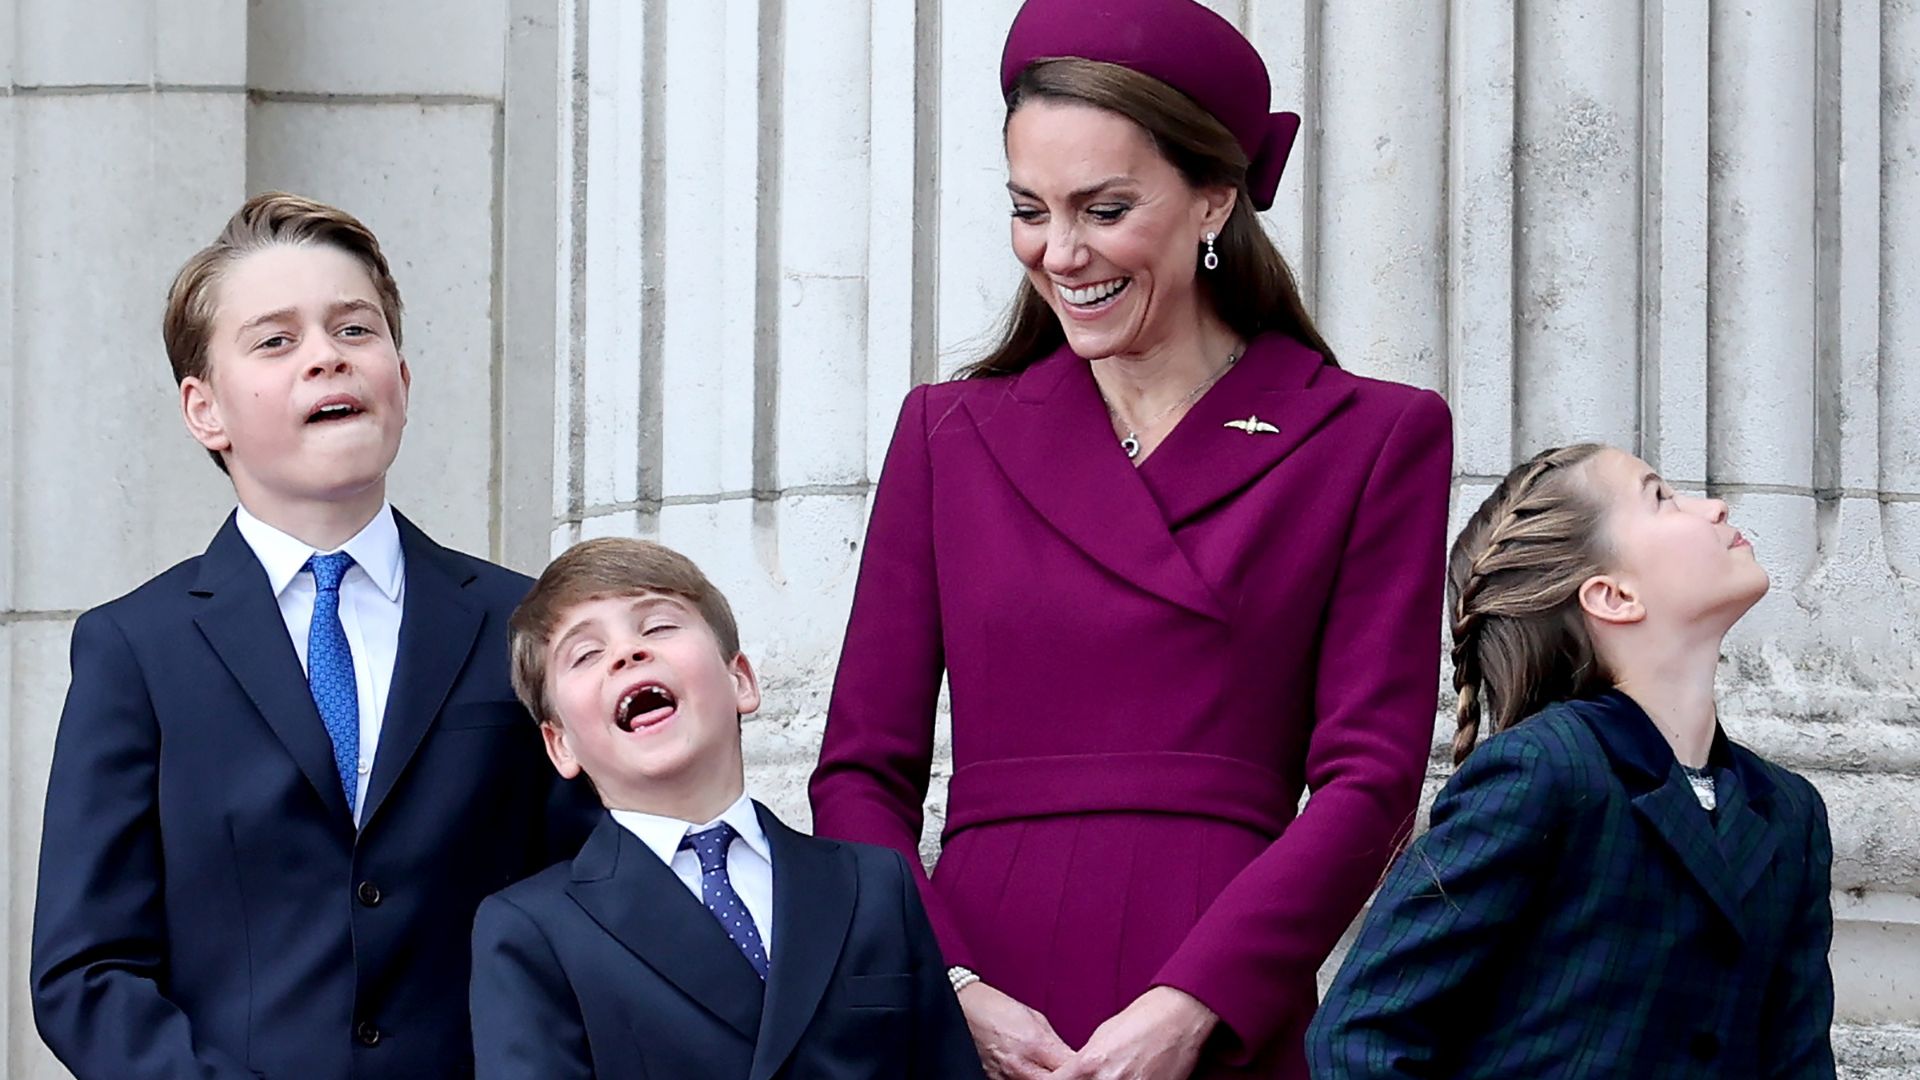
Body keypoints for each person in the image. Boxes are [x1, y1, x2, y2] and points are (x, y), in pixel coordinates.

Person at [807, 1, 1455, 1075]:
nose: (1060, 254)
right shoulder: (947, 435)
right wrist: (949, 985)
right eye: (1029, 209)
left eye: (1104, 209)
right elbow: (859, 776)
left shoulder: (1373, 435)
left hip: (1216, 990)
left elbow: (1372, 777)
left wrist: (1197, 998)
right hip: (976, 1002)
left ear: (1215, 197)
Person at [30, 192, 598, 1080]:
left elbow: (591, 906)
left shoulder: (521, 624)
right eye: (276, 341)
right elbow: (86, 970)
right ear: (204, 409)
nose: (327, 358)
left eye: (355, 330)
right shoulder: (136, 649)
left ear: (401, 384)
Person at [1307, 444, 1836, 1078]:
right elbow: (1359, 1034)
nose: (1715, 507)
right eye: (1661, 498)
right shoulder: (1543, 771)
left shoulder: (1788, 810)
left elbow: (1799, 1062)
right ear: (1612, 595)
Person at [468, 538, 984, 1079]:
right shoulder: (533, 930)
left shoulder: (874, 884)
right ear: (560, 745)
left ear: (740, 680)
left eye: (659, 626)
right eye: (586, 654)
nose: (626, 653)